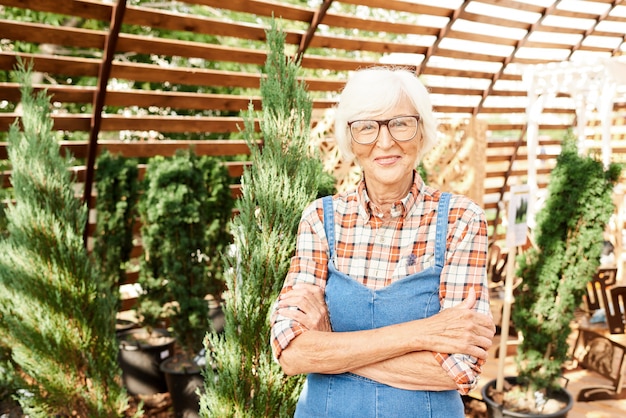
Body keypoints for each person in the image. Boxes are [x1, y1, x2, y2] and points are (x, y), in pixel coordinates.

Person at [269, 66, 495, 417]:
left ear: (421, 133)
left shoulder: (460, 220)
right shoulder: (320, 219)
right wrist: (426, 332)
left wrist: (329, 349)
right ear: (351, 141)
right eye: (366, 127)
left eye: (401, 123)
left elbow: (460, 368)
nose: (385, 141)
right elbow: (291, 353)